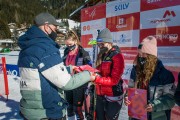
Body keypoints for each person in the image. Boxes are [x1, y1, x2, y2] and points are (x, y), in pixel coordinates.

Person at [17, 12, 97, 120]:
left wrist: (69, 69)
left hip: (32, 110)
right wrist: (88, 75)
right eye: (55, 29)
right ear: (47, 27)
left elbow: (45, 71)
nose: (56, 32)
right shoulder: (45, 48)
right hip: (48, 110)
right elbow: (67, 82)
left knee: (78, 109)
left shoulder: (27, 48)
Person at [124, 36, 176, 120]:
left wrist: (154, 105)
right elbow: (130, 89)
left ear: (152, 56)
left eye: (144, 54)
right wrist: (127, 97)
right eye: (139, 54)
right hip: (136, 115)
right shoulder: (135, 71)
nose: (141, 57)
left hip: (156, 117)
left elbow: (171, 99)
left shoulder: (165, 75)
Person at [94, 28, 125, 120]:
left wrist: (96, 79)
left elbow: (114, 80)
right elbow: (99, 72)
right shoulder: (102, 55)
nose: (100, 46)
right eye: (98, 44)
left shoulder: (117, 56)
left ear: (109, 42)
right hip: (101, 93)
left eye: (102, 44)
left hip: (113, 95)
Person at [63, 30, 92, 120]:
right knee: (69, 108)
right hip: (68, 83)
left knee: (77, 109)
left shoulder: (83, 53)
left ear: (75, 41)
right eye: (67, 45)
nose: (69, 47)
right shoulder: (66, 52)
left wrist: (79, 69)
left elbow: (89, 67)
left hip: (79, 84)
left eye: (70, 44)